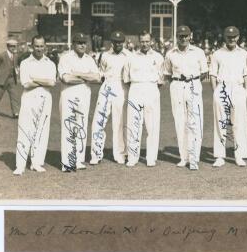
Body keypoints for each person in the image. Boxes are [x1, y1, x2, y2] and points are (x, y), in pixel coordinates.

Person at [163, 25, 208, 170]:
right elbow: (167, 73)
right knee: (180, 121)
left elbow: (204, 72)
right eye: (180, 36)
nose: (183, 38)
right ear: (177, 37)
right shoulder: (170, 53)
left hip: (193, 85)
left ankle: (194, 158)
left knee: (195, 121)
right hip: (177, 86)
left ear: (191, 36)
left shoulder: (198, 52)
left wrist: (192, 82)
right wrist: (178, 83)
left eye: (186, 35)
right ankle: (184, 157)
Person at [13, 35, 56, 175]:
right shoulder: (25, 63)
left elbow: (52, 83)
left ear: (45, 46)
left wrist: (35, 79)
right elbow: (26, 83)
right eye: (36, 46)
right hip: (29, 98)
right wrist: (43, 81)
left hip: (45, 98)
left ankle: (36, 162)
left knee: (41, 131)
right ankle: (20, 165)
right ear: (32, 46)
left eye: (41, 46)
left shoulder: (50, 63)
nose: (39, 48)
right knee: (25, 130)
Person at [58, 33, 100, 172]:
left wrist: (77, 74)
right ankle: (67, 162)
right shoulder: (65, 58)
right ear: (73, 44)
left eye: (84, 42)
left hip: (84, 95)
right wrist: (86, 77)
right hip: (69, 94)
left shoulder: (89, 59)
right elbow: (66, 79)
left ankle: (79, 160)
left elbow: (97, 78)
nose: (82, 45)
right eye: (79, 43)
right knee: (69, 127)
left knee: (81, 126)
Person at [89, 31, 131, 165]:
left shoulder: (129, 56)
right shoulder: (105, 55)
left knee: (119, 122)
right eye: (115, 42)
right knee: (99, 120)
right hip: (107, 86)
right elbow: (100, 72)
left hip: (122, 87)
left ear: (123, 42)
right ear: (112, 42)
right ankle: (96, 154)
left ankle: (119, 153)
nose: (118, 44)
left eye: (120, 42)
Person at [210, 26, 247, 167]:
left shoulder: (244, 53)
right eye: (229, 37)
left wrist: (245, 91)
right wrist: (216, 92)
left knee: (238, 123)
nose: (231, 39)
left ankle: (239, 155)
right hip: (222, 88)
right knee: (221, 123)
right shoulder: (217, 54)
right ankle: (220, 156)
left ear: (238, 37)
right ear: (224, 37)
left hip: (238, 88)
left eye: (234, 37)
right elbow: (213, 75)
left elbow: (246, 74)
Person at [123, 32, 164, 167]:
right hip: (135, 89)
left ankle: (151, 157)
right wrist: (137, 86)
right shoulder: (131, 57)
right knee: (133, 123)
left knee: (152, 125)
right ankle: (133, 157)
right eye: (142, 41)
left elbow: (161, 80)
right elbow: (127, 79)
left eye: (147, 41)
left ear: (151, 41)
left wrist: (150, 87)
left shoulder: (158, 57)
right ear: (138, 42)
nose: (145, 44)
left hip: (152, 89)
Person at [0, 39, 20, 119]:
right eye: (11, 46)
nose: (13, 48)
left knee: (14, 96)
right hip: (2, 80)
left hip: (11, 79)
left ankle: (15, 113)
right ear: (7, 46)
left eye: (14, 46)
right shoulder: (1, 55)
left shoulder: (16, 55)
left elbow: (15, 66)